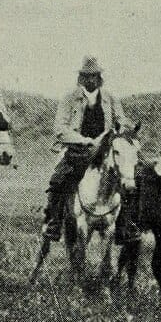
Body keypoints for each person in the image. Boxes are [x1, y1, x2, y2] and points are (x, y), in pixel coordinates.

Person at [41, 56, 130, 241]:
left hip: (105, 149)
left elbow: (122, 120)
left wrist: (122, 128)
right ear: (80, 78)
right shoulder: (69, 98)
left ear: (99, 78)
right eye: (86, 76)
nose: (91, 80)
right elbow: (60, 128)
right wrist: (84, 141)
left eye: (94, 76)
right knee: (58, 179)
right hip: (77, 150)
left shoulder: (110, 98)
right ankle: (54, 223)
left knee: (130, 177)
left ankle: (126, 225)